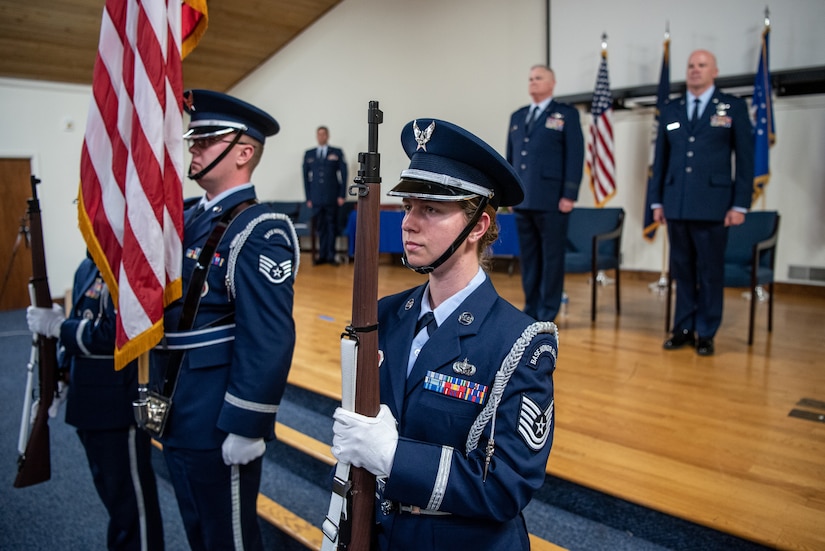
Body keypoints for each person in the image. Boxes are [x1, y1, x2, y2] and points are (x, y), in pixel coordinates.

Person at [331, 118, 558, 550]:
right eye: (408, 206)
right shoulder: (386, 315)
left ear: (477, 226)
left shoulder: (521, 342)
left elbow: (505, 487)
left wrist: (395, 458)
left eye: (431, 209)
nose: (409, 223)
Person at [151, 89, 300, 550]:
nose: (193, 148)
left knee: (229, 538)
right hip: (178, 400)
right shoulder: (189, 217)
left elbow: (269, 338)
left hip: (217, 413)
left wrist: (247, 422)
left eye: (207, 140)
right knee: (198, 526)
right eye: (193, 139)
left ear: (244, 151)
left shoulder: (260, 229)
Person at [27, 255, 164, 550]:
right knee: (114, 500)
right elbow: (81, 317)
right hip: (88, 398)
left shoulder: (127, 262)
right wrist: (62, 376)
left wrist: (60, 328)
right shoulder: (88, 265)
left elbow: (121, 333)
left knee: (132, 504)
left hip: (119, 404)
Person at [648, 50, 753, 356]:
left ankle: (706, 331)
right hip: (676, 203)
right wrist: (657, 200)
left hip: (714, 205)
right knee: (682, 270)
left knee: (709, 271)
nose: (695, 70)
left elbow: (745, 160)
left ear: (714, 71)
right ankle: (683, 327)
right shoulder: (672, 109)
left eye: (702, 65)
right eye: (691, 65)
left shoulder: (732, 106)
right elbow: (661, 160)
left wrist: (740, 204)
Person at [506, 64, 584, 322]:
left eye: (538, 78)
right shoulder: (518, 117)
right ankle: (531, 307)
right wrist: (511, 193)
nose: (533, 82)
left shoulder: (565, 114)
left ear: (552, 83)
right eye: (530, 78)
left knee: (552, 259)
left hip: (553, 200)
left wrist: (569, 194)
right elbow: (511, 159)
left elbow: (575, 156)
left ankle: (548, 311)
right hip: (524, 200)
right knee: (529, 258)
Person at [302, 125, 348, 265]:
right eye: (319, 134)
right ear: (317, 136)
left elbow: (344, 174)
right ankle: (322, 255)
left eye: (324, 134)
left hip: (332, 197)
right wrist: (308, 197)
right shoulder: (309, 154)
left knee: (331, 225)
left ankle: (331, 255)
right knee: (320, 226)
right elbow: (305, 177)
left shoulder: (337, 152)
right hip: (316, 198)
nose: (321, 137)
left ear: (327, 136)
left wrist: (342, 195)